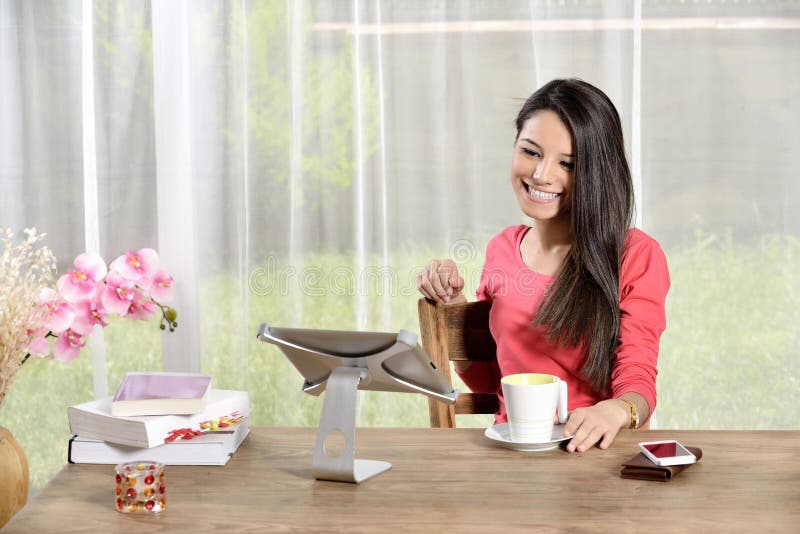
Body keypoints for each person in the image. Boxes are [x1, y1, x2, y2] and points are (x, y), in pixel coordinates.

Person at [417, 78, 670, 454]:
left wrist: (617, 410)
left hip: (593, 453)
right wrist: (453, 302)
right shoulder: (502, 248)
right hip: (513, 454)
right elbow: (490, 382)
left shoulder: (634, 255)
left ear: (597, 172)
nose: (541, 174)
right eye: (531, 152)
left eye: (567, 163)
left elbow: (638, 378)